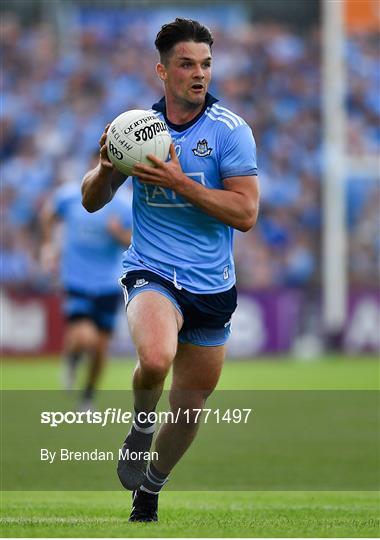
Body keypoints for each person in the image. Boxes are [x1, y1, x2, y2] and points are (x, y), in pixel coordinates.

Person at [82, 18, 259, 522]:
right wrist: (107, 169)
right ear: (162, 71)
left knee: (188, 410)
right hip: (152, 270)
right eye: (186, 64)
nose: (198, 74)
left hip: (212, 285)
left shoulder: (230, 132)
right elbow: (91, 201)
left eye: (205, 64)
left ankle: (150, 491)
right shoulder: (136, 131)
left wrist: (182, 184)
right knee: (156, 359)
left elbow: (246, 215)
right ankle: (139, 430)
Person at [41, 151, 132, 410]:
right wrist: (49, 246)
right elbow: (49, 214)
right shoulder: (70, 195)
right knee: (84, 338)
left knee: (101, 349)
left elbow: (134, 240)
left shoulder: (124, 204)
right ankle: (72, 358)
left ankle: (88, 396)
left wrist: (118, 234)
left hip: (108, 281)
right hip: (76, 279)